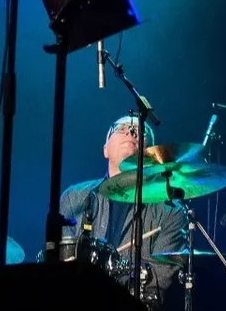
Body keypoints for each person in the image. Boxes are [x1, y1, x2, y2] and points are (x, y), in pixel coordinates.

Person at [58, 115, 188, 307]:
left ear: (151, 155)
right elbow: (62, 267)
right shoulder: (74, 198)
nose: (131, 133)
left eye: (140, 131)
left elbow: (159, 280)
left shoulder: (171, 212)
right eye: (121, 128)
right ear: (105, 149)